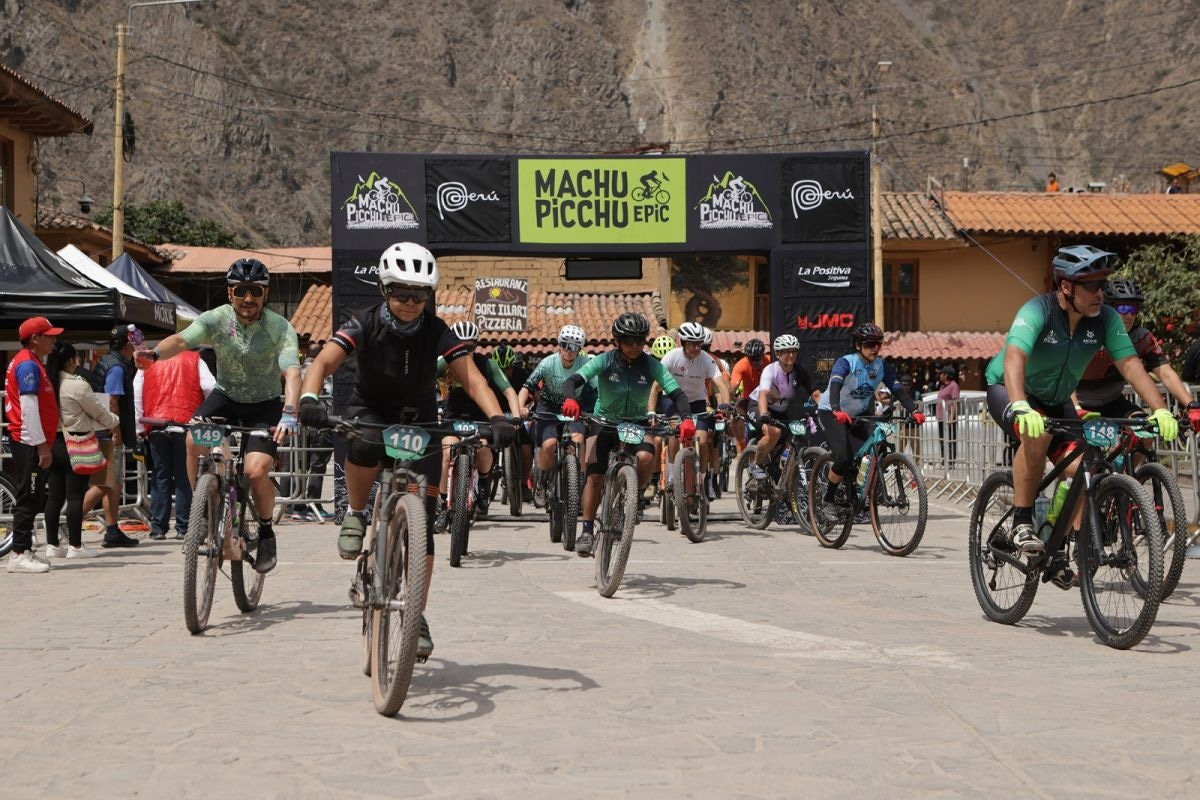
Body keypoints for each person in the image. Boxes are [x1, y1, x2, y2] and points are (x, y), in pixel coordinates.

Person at [298, 242, 515, 659]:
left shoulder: (438, 331)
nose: (410, 302)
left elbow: (472, 380)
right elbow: (323, 363)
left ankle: (416, 614)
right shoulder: (362, 324)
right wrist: (309, 398)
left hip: (419, 419)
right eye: (401, 292)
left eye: (420, 294)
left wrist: (499, 417)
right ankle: (358, 514)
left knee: (425, 529)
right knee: (362, 440)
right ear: (385, 290)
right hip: (371, 410)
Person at [984, 245, 1177, 569]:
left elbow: (1130, 364)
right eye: (1091, 285)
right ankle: (1021, 521)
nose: (1099, 293)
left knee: (1083, 468)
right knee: (1038, 433)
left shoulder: (1105, 319)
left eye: (1102, 284)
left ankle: (1055, 540)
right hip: (1008, 388)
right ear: (1066, 287)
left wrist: (1160, 409)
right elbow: (1015, 358)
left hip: (1056, 398)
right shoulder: (1037, 311)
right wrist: (1020, 405)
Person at [134, 258, 301, 575]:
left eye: (255, 291)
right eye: (241, 291)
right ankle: (203, 509)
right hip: (225, 398)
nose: (248, 298)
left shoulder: (280, 327)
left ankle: (265, 532)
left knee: (255, 471)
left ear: (265, 294)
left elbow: (292, 370)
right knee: (191, 438)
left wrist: (290, 411)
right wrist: (154, 355)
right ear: (230, 292)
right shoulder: (216, 319)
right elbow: (182, 340)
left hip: (265, 404)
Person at [560, 313, 692, 557]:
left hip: (637, 423)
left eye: (640, 341)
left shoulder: (651, 364)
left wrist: (687, 419)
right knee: (595, 476)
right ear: (618, 341)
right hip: (604, 422)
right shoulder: (604, 360)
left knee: (645, 457)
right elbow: (574, 380)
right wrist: (570, 398)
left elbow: (677, 394)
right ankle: (587, 531)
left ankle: (636, 495)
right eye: (629, 340)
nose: (635, 346)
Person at [816, 324, 924, 516]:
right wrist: (836, 409)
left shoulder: (881, 366)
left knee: (879, 440)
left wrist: (913, 410)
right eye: (870, 344)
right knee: (844, 456)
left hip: (858, 415)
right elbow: (834, 387)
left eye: (879, 344)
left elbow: (898, 390)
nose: (875, 348)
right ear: (858, 345)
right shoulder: (846, 362)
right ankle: (828, 499)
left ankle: (868, 487)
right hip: (831, 412)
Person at [1074, 279, 1200, 432]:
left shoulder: (1141, 338)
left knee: (1145, 433)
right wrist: (1076, 408)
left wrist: (1192, 405)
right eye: (1124, 308)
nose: (1129, 315)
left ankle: (1128, 456)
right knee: (1082, 449)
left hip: (1113, 402)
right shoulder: (1085, 334)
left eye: (1134, 309)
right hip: (1077, 403)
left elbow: (1166, 373)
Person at [436, 321, 521, 520]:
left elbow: (509, 391)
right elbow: (422, 383)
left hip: (480, 417)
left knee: (483, 449)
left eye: (469, 347)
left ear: (476, 345)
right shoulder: (443, 362)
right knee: (447, 453)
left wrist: (515, 417)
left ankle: (483, 484)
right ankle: (441, 504)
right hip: (454, 415)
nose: (464, 351)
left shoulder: (486, 364)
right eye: (459, 346)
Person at [44, 343, 120, 559]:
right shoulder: (77, 385)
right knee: (75, 496)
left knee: (54, 497)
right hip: (77, 443)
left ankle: (52, 544)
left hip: (54, 443)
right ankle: (75, 546)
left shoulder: (48, 383)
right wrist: (115, 420)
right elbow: (98, 412)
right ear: (71, 361)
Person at [134, 345, 216, 540]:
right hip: (185, 424)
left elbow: (137, 396)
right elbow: (210, 387)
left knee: (160, 476)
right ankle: (184, 526)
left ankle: (158, 528)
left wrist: (139, 428)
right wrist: (203, 415)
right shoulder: (195, 359)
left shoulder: (148, 360)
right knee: (184, 476)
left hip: (155, 424)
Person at [4, 317, 63, 573]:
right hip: (29, 441)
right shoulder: (28, 365)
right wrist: (41, 446)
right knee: (28, 496)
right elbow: (28, 408)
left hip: (31, 440)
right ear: (35, 339)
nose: (53, 340)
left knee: (34, 495)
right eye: (48, 336)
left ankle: (24, 548)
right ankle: (18, 552)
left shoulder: (31, 362)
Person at [653, 322, 732, 501]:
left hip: (697, 402)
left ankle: (702, 480)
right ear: (683, 343)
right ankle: (672, 478)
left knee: (704, 441)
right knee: (675, 435)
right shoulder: (671, 357)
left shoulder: (706, 359)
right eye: (692, 343)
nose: (697, 347)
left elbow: (721, 385)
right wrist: (651, 410)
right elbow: (656, 386)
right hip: (672, 400)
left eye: (699, 343)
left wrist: (725, 404)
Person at [518, 325, 592, 511]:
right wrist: (520, 407)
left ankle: (580, 487)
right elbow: (526, 387)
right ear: (559, 344)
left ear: (580, 349)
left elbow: (599, 388)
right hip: (548, 408)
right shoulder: (548, 363)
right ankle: (541, 482)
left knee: (579, 441)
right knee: (550, 444)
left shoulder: (585, 363)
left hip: (574, 408)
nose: (569, 350)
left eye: (574, 346)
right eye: (565, 345)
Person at [83, 324, 143, 549]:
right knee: (104, 483)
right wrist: (116, 431)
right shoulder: (117, 368)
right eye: (133, 344)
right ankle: (69, 524)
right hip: (108, 434)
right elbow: (112, 401)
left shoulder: (108, 362)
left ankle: (112, 531)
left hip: (102, 430)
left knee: (113, 484)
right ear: (127, 345)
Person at [747, 334, 820, 482]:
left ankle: (778, 472)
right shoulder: (770, 370)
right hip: (759, 405)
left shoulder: (799, 371)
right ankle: (756, 464)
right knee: (774, 432)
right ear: (778, 353)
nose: (791, 355)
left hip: (782, 410)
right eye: (786, 351)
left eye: (794, 351)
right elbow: (763, 395)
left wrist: (829, 409)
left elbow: (816, 394)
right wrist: (764, 414)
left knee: (795, 435)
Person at [491, 343, 533, 503]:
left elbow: (530, 393)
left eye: (507, 368)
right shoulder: (488, 375)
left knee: (527, 450)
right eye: (500, 370)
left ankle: (523, 485)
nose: (504, 373)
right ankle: (485, 481)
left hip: (515, 417)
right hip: (495, 417)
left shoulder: (522, 374)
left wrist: (525, 408)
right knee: (484, 448)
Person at [729, 338, 770, 453]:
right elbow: (733, 387)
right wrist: (727, 401)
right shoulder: (741, 365)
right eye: (751, 359)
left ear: (763, 355)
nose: (754, 363)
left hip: (768, 398)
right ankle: (742, 446)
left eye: (757, 359)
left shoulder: (770, 361)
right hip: (748, 399)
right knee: (736, 417)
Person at [935, 365, 961, 468]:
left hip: (949, 418)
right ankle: (944, 460)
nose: (940, 376)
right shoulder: (942, 386)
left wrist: (951, 417)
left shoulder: (953, 386)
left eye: (941, 374)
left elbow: (955, 402)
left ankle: (950, 462)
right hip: (941, 418)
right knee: (942, 440)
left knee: (950, 440)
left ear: (946, 375)